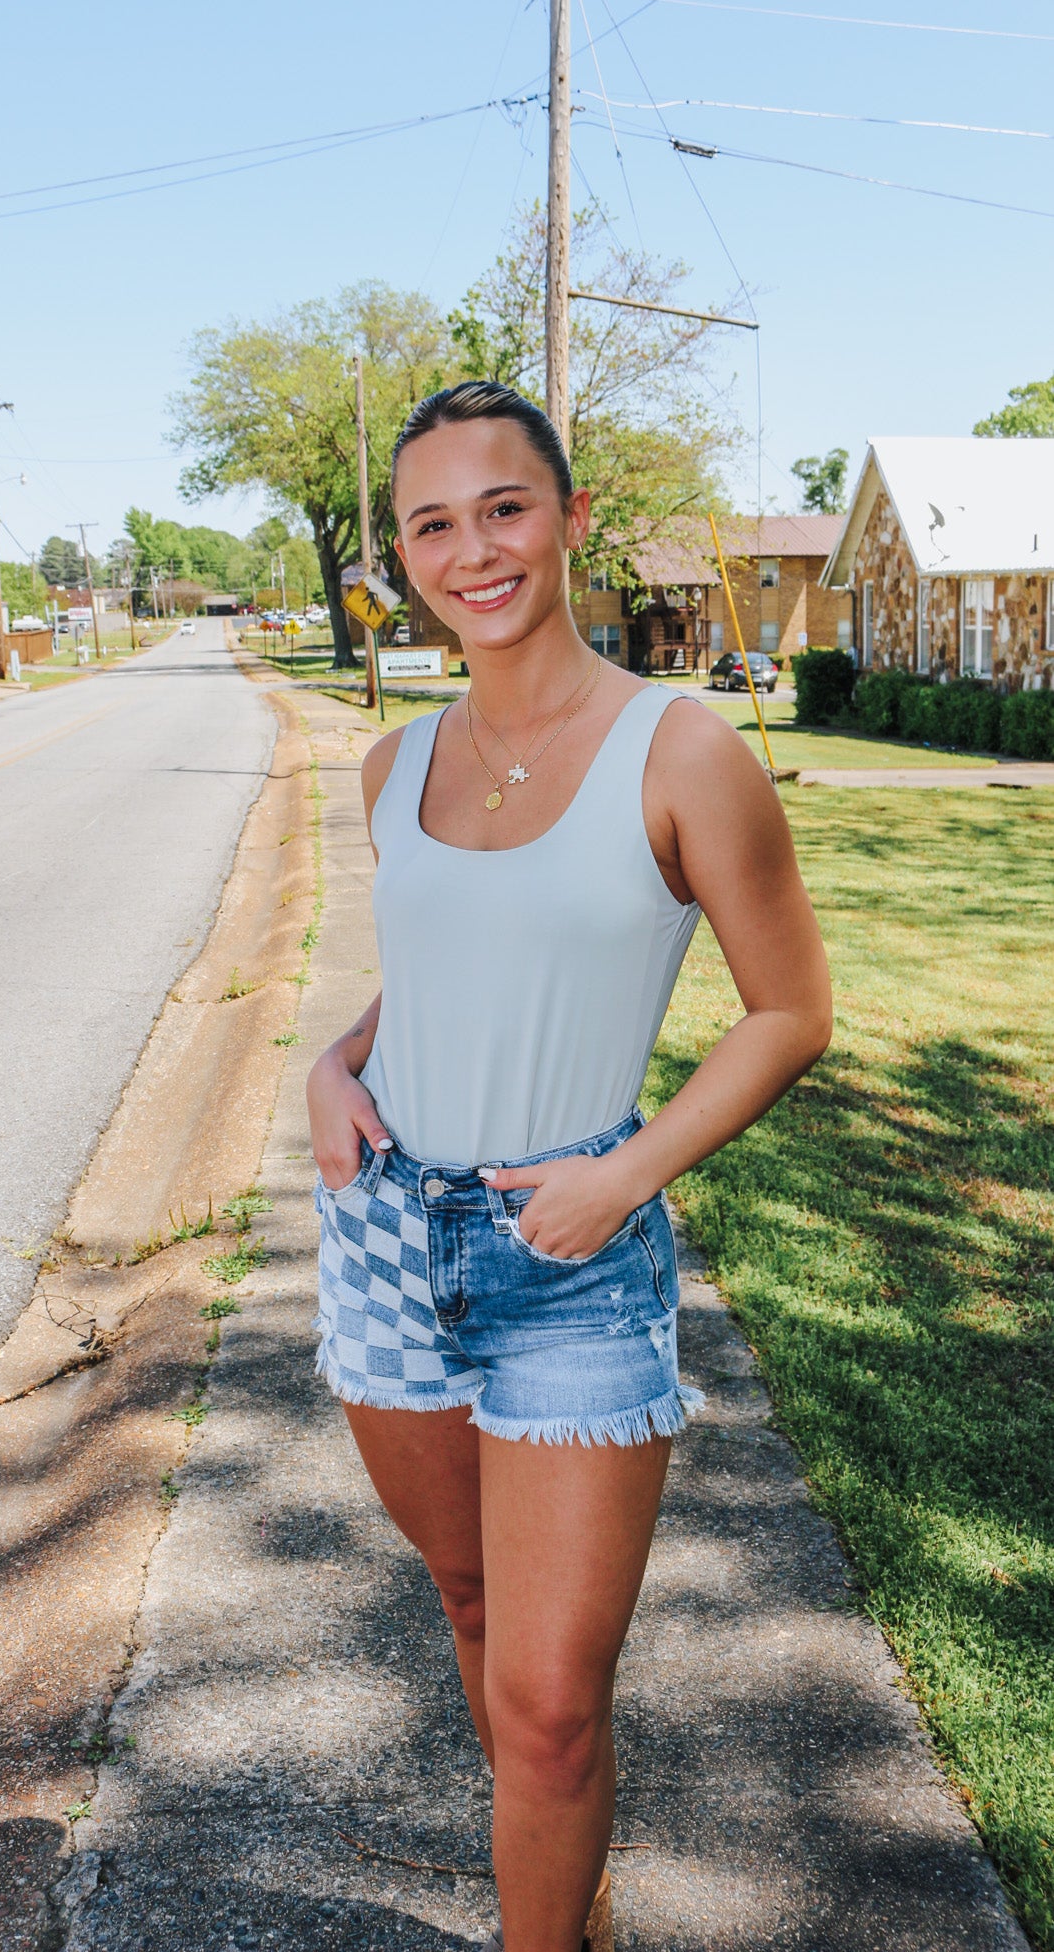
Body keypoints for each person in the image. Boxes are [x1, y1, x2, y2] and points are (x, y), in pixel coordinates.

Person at [305, 381, 832, 1952]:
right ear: (401, 557)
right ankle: (564, 1900)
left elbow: (790, 1011)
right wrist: (334, 1061)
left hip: (571, 1254)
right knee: (467, 1605)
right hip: (386, 1240)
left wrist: (628, 1177)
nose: (471, 550)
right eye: (432, 524)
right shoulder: (392, 763)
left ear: (568, 519)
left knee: (547, 1703)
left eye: (503, 508)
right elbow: (445, 970)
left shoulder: (682, 751)